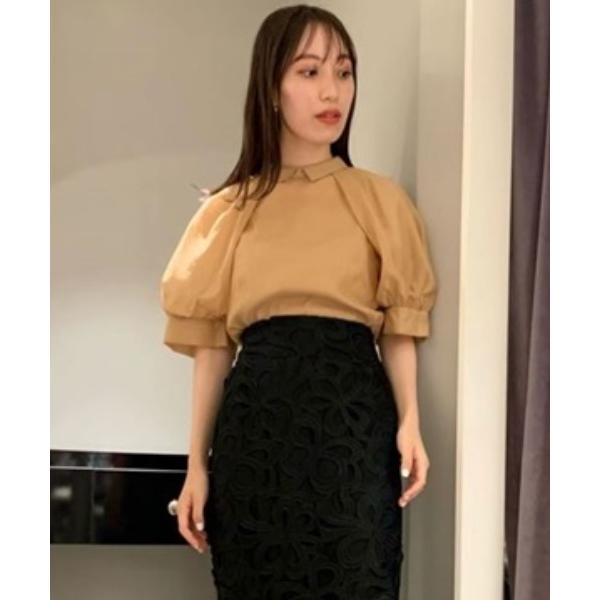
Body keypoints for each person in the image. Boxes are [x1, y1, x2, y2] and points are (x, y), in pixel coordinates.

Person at [159, 5, 437, 599]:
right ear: (271, 88)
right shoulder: (228, 211)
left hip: (353, 432)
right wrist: (196, 466)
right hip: (256, 434)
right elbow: (212, 350)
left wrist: (410, 421)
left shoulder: (381, 201)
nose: (332, 91)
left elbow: (399, 328)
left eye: (344, 71)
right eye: (309, 72)